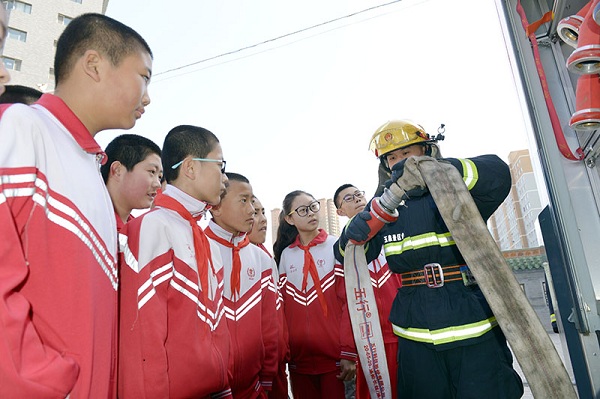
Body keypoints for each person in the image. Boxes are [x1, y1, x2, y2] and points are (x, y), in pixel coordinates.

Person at [0, 13, 152, 398]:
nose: (147, 97)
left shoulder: (91, 169)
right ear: (94, 65)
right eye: (144, 77)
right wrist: (43, 380)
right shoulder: (22, 126)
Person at [335, 120, 524, 398]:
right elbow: (346, 256)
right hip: (415, 334)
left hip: (472, 323)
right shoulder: (385, 205)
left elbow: (497, 174)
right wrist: (358, 228)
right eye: (392, 157)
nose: (399, 163)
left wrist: (442, 171)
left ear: (427, 149)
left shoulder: (458, 189)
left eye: (407, 153)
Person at [118, 125, 232, 398]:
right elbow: (143, 337)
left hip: (214, 390)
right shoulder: (154, 226)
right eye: (220, 165)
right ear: (191, 168)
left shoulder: (202, 238)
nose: (225, 178)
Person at [273, 190, 357, 399]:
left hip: (335, 360)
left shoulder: (336, 245)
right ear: (289, 219)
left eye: (313, 207)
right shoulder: (286, 255)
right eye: (302, 210)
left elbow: (349, 301)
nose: (311, 213)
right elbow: (281, 309)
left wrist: (348, 351)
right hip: (298, 363)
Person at [204, 174, 278, 398]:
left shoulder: (262, 259)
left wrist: (267, 378)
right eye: (243, 201)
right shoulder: (196, 249)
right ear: (216, 207)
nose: (252, 211)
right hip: (208, 390)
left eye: (252, 201)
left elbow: (270, 326)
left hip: (254, 388)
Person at [333, 184, 400, 399]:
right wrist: (347, 349)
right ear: (340, 211)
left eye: (359, 194)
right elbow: (346, 303)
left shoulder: (392, 233)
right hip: (370, 344)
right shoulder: (343, 251)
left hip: (405, 333)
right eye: (349, 198)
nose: (357, 199)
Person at [248, 195, 291, 399]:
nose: (262, 219)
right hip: (255, 369)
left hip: (277, 364)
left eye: (263, 212)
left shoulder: (266, 256)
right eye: (255, 213)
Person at [100, 134, 162, 231]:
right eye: (152, 172)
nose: (157, 184)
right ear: (117, 170)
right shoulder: (91, 220)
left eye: (160, 177)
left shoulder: (139, 232)